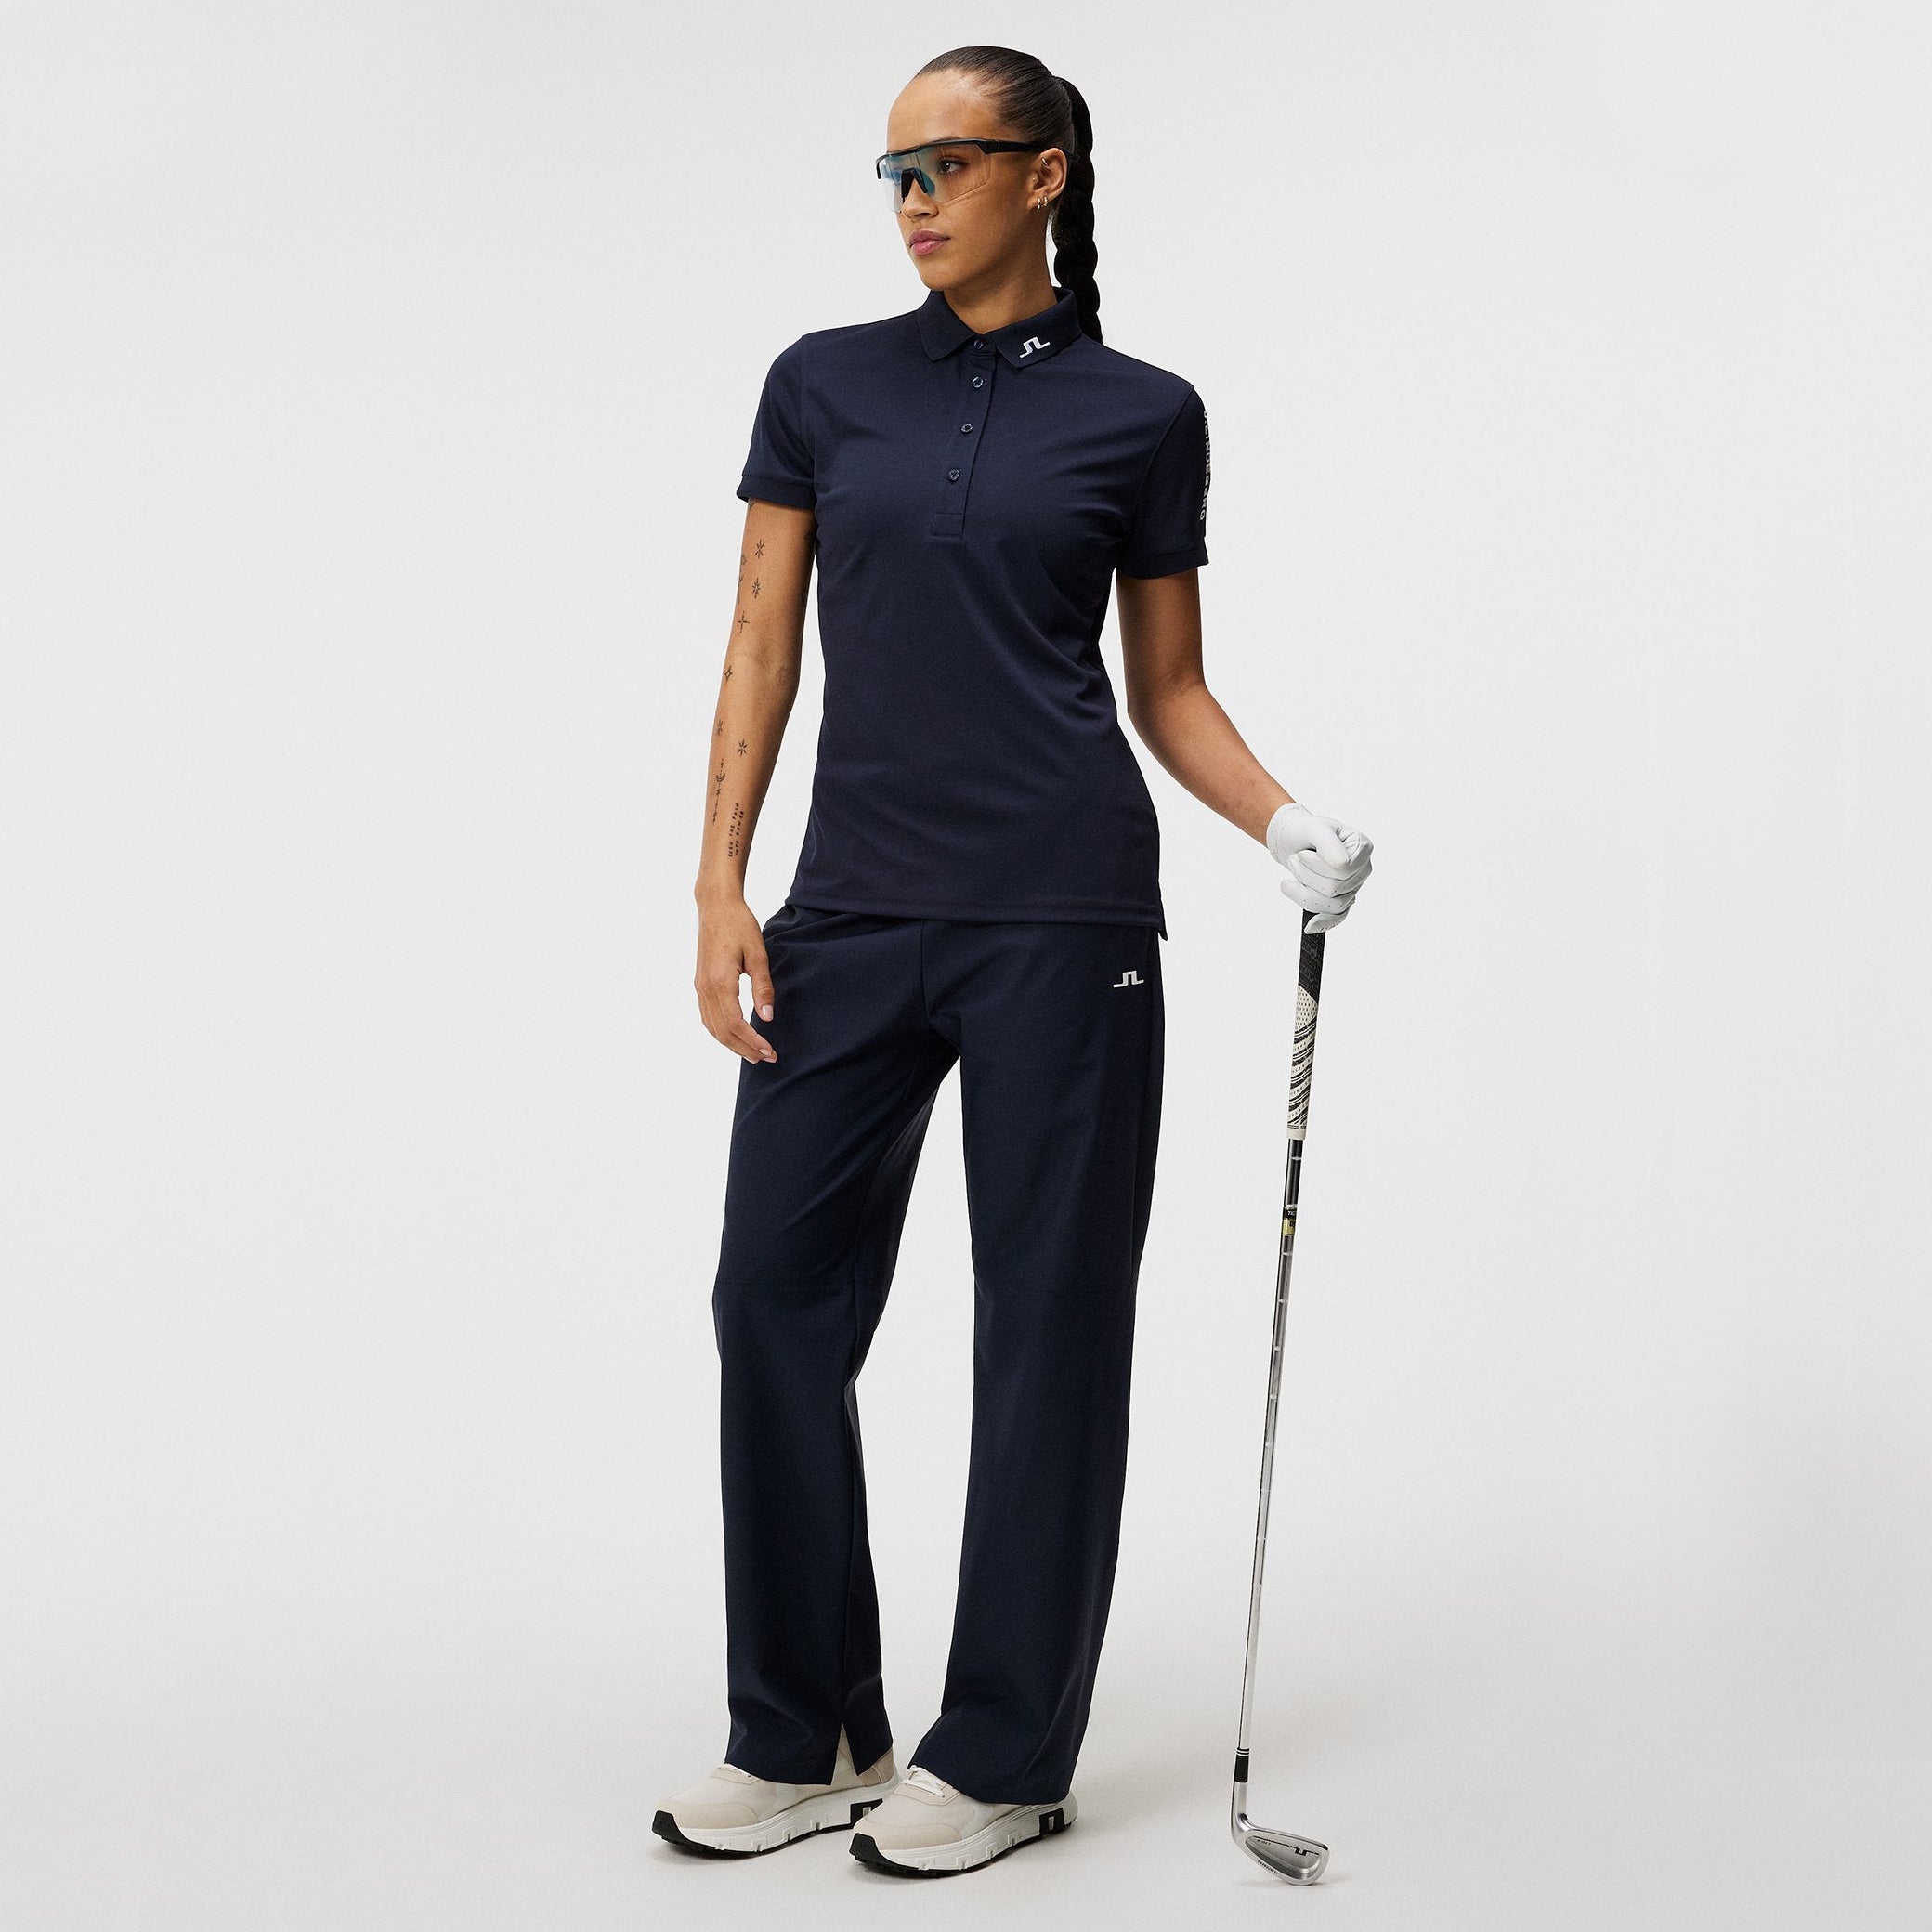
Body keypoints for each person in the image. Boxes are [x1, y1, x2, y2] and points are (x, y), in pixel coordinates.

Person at [654, 46, 1373, 1880]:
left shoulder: (1144, 414)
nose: (911, 199)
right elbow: (759, 647)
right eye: (890, 170)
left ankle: (1002, 1752)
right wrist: (721, 883)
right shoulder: (820, 384)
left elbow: (1167, 691)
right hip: (849, 911)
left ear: (1041, 175)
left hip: (1065, 917)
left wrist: (1282, 819)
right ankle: (806, 1727)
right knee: (769, 1296)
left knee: (1048, 1320)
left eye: (946, 164)